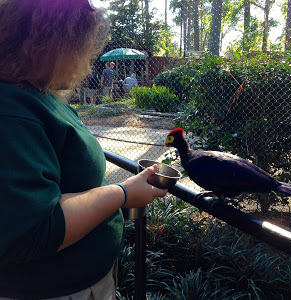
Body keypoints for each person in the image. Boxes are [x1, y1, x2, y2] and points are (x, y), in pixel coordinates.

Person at [0, 1, 167, 299]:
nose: (86, 63)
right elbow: (32, 229)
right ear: (48, 44)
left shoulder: (36, 92)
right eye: (80, 47)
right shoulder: (11, 110)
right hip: (54, 290)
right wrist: (123, 193)